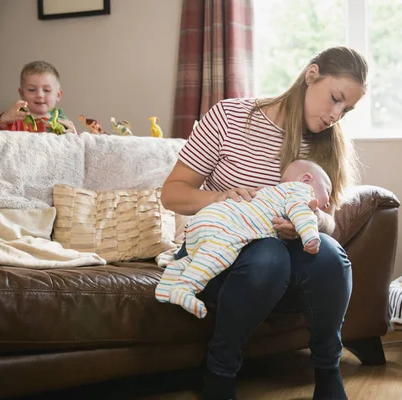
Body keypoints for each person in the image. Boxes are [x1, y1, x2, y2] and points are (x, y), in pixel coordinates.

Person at [161, 46, 367, 400]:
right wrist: (220, 197)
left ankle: (328, 371)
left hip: (288, 264)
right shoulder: (229, 117)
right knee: (268, 255)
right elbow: (172, 193)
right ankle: (220, 371)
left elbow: (330, 224)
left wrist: (313, 220)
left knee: (331, 255)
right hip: (222, 255)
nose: (336, 115)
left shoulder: (327, 145)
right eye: (335, 99)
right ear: (311, 74)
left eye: (346, 110)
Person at [155, 159, 332, 319]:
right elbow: (302, 213)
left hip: (203, 221)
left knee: (198, 255)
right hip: (225, 224)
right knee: (223, 250)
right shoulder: (300, 190)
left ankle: (170, 282)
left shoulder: (268, 193)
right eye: (326, 191)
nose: (328, 203)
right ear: (306, 180)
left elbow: (328, 221)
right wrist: (310, 235)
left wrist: (318, 219)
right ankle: (185, 288)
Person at [0, 61, 77, 134]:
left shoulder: (63, 124)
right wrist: (2, 122)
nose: (39, 95)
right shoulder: (14, 121)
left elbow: (79, 147)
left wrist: (73, 135)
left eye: (46, 90)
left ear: (58, 95)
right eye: (31, 90)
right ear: (22, 93)